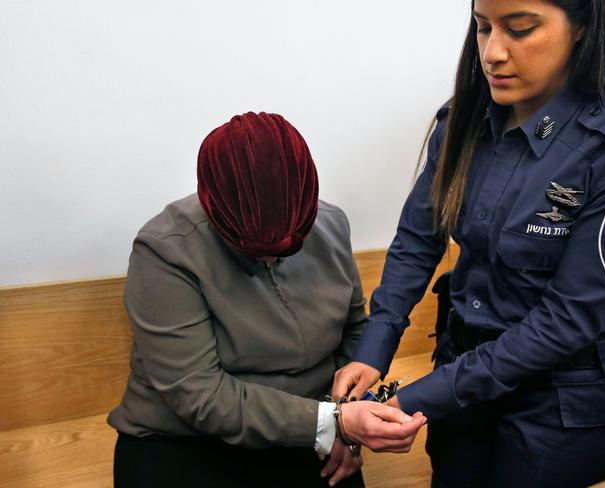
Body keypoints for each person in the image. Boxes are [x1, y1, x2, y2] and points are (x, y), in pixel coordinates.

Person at [332, 0, 605, 486]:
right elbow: (418, 240)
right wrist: (373, 350)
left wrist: (420, 396)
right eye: (483, 28)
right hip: (462, 375)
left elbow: (567, 320)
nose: (492, 53)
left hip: (555, 406)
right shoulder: (467, 116)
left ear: (583, 27)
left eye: (519, 30)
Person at [107, 112, 425, 488]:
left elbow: (353, 333)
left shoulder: (331, 224)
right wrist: (330, 423)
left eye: (292, 244)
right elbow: (200, 394)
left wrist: (348, 421)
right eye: (256, 250)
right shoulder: (166, 251)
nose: (274, 260)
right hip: (185, 439)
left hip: (311, 427)